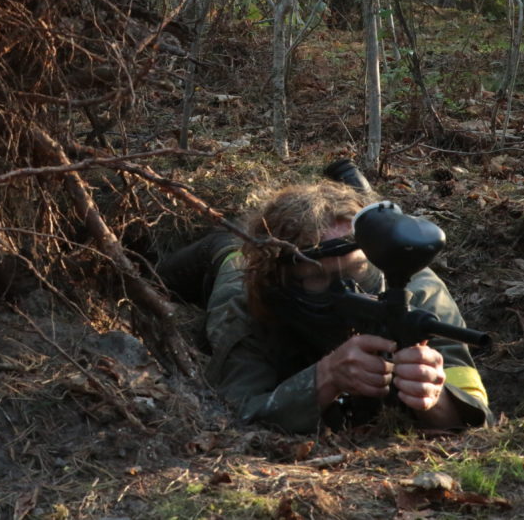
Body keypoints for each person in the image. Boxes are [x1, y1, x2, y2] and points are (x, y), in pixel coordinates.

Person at [192, 181, 491, 434]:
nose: (348, 290)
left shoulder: (419, 292)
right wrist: (325, 378)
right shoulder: (250, 301)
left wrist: (433, 396)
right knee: (228, 252)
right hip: (235, 265)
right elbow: (232, 418)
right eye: (316, 278)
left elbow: (479, 415)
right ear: (284, 281)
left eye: (358, 271)